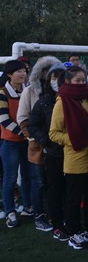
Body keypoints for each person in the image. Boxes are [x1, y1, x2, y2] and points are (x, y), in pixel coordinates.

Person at [48, 66, 88, 249]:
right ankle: (74, 231)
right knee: (74, 198)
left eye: (83, 80)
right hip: (75, 158)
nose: (81, 83)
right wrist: (73, 139)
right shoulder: (62, 101)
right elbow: (53, 133)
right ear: (68, 81)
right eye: (77, 80)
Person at [16, 55, 61, 231]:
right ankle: (38, 215)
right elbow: (22, 118)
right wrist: (35, 138)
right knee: (38, 181)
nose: (49, 74)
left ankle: (55, 212)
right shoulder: (29, 91)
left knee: (54, 181)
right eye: (45, 70)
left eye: (53, 71)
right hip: (38, 145)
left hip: (57, 146)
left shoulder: (59, 92)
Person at [27, 62, 69, 240]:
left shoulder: (73, 99)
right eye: (54, 77)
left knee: (70, 188)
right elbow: (32, 125)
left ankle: (69, 218)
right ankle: (57, 223)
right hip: (53, 152)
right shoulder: (44, 101)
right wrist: (45, 140)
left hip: (73, 151)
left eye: (60, 77)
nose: (56, 81)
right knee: (54, 187)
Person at [1, 59, 30, 229]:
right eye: (18, 71)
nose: (22, 74)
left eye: (24, 71)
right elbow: (3, 120)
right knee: (10, 178)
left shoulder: (28, 90)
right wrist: (25, 133)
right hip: (10, 142)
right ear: (9, 74)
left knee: (27, 176)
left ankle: (27, 207)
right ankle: (10, 212)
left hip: (27, 142)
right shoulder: (2, 92)